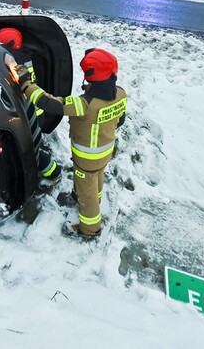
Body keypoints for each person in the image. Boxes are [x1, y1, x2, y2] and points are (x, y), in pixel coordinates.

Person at [16, 48, 127, 239]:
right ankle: (93, 197)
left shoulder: (84, 104)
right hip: (105, 152)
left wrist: (26, 83)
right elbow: (121, 119)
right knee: (96, 178)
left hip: (87, 158)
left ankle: (90, 230)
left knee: (87, 193)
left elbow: (48, 103)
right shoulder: (120, 94)